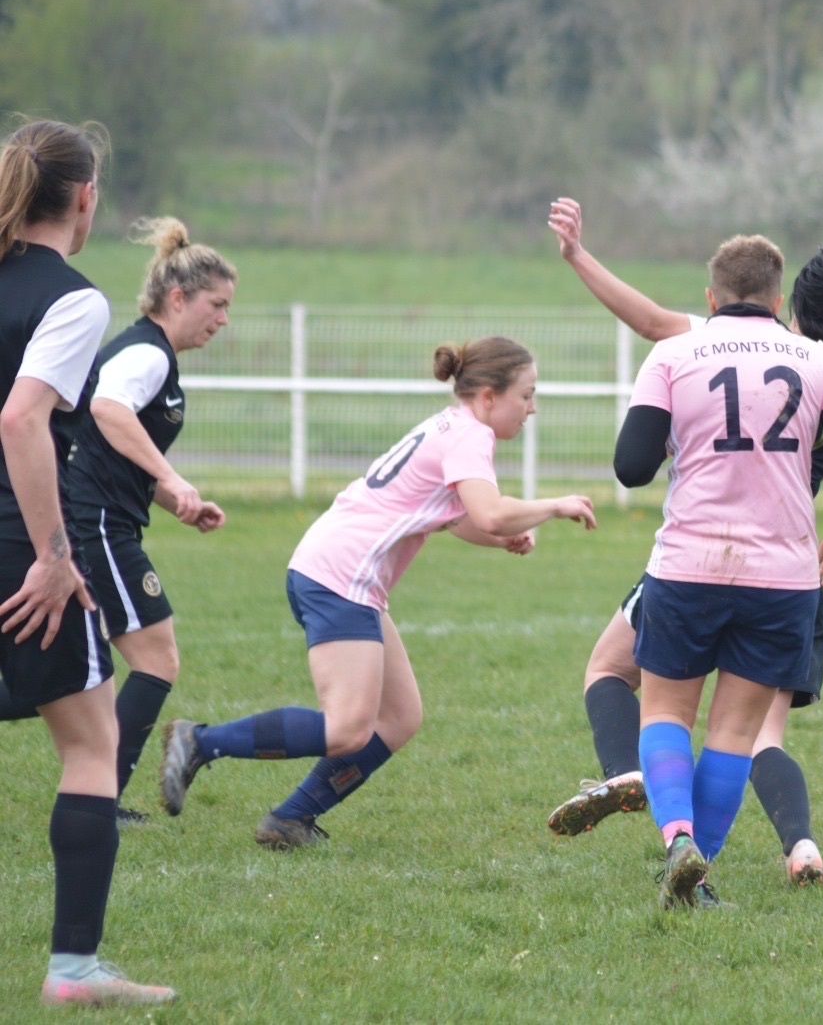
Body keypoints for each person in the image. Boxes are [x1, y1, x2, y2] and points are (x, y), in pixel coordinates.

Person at [543, 199, 823, 890]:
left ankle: (672, 825)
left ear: (712, 296)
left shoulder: (682, 351)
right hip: (786, 569)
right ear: (776, 299)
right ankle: (710, 867)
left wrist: (576, 256)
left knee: (655, 705)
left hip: (692, 560)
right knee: (741, 735)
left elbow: (632, 461)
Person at [155, 336, 598, 849]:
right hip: (340, 576)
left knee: (400, 717)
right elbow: (490, 511)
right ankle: (201, 741)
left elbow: (458, 518)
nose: (533, 407)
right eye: (527, 394)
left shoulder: (451, 427)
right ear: (489, 396)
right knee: (347, 728)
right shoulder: (470, 436)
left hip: (334, 570)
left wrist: (501, 538)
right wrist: (554, 505)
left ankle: (290, 820)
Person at [0, 118, 176, 1006]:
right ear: (84, 197)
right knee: (92, 743)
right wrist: (53, 558)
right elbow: (22, 420)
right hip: (18, 550)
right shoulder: (75, 300)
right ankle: (74, 969)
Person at [0, 218, 236, 827]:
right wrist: (176, 479)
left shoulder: (151, 354)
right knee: (155, 657)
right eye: (217, 304)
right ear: (178, 298)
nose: (224, 319)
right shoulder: (145, 353)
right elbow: (107, 409)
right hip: (94, 524)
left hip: (103, 518)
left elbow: (106, 443)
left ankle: (98, 792)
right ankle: (101, 800)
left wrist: (172, 497)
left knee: (83, 664)